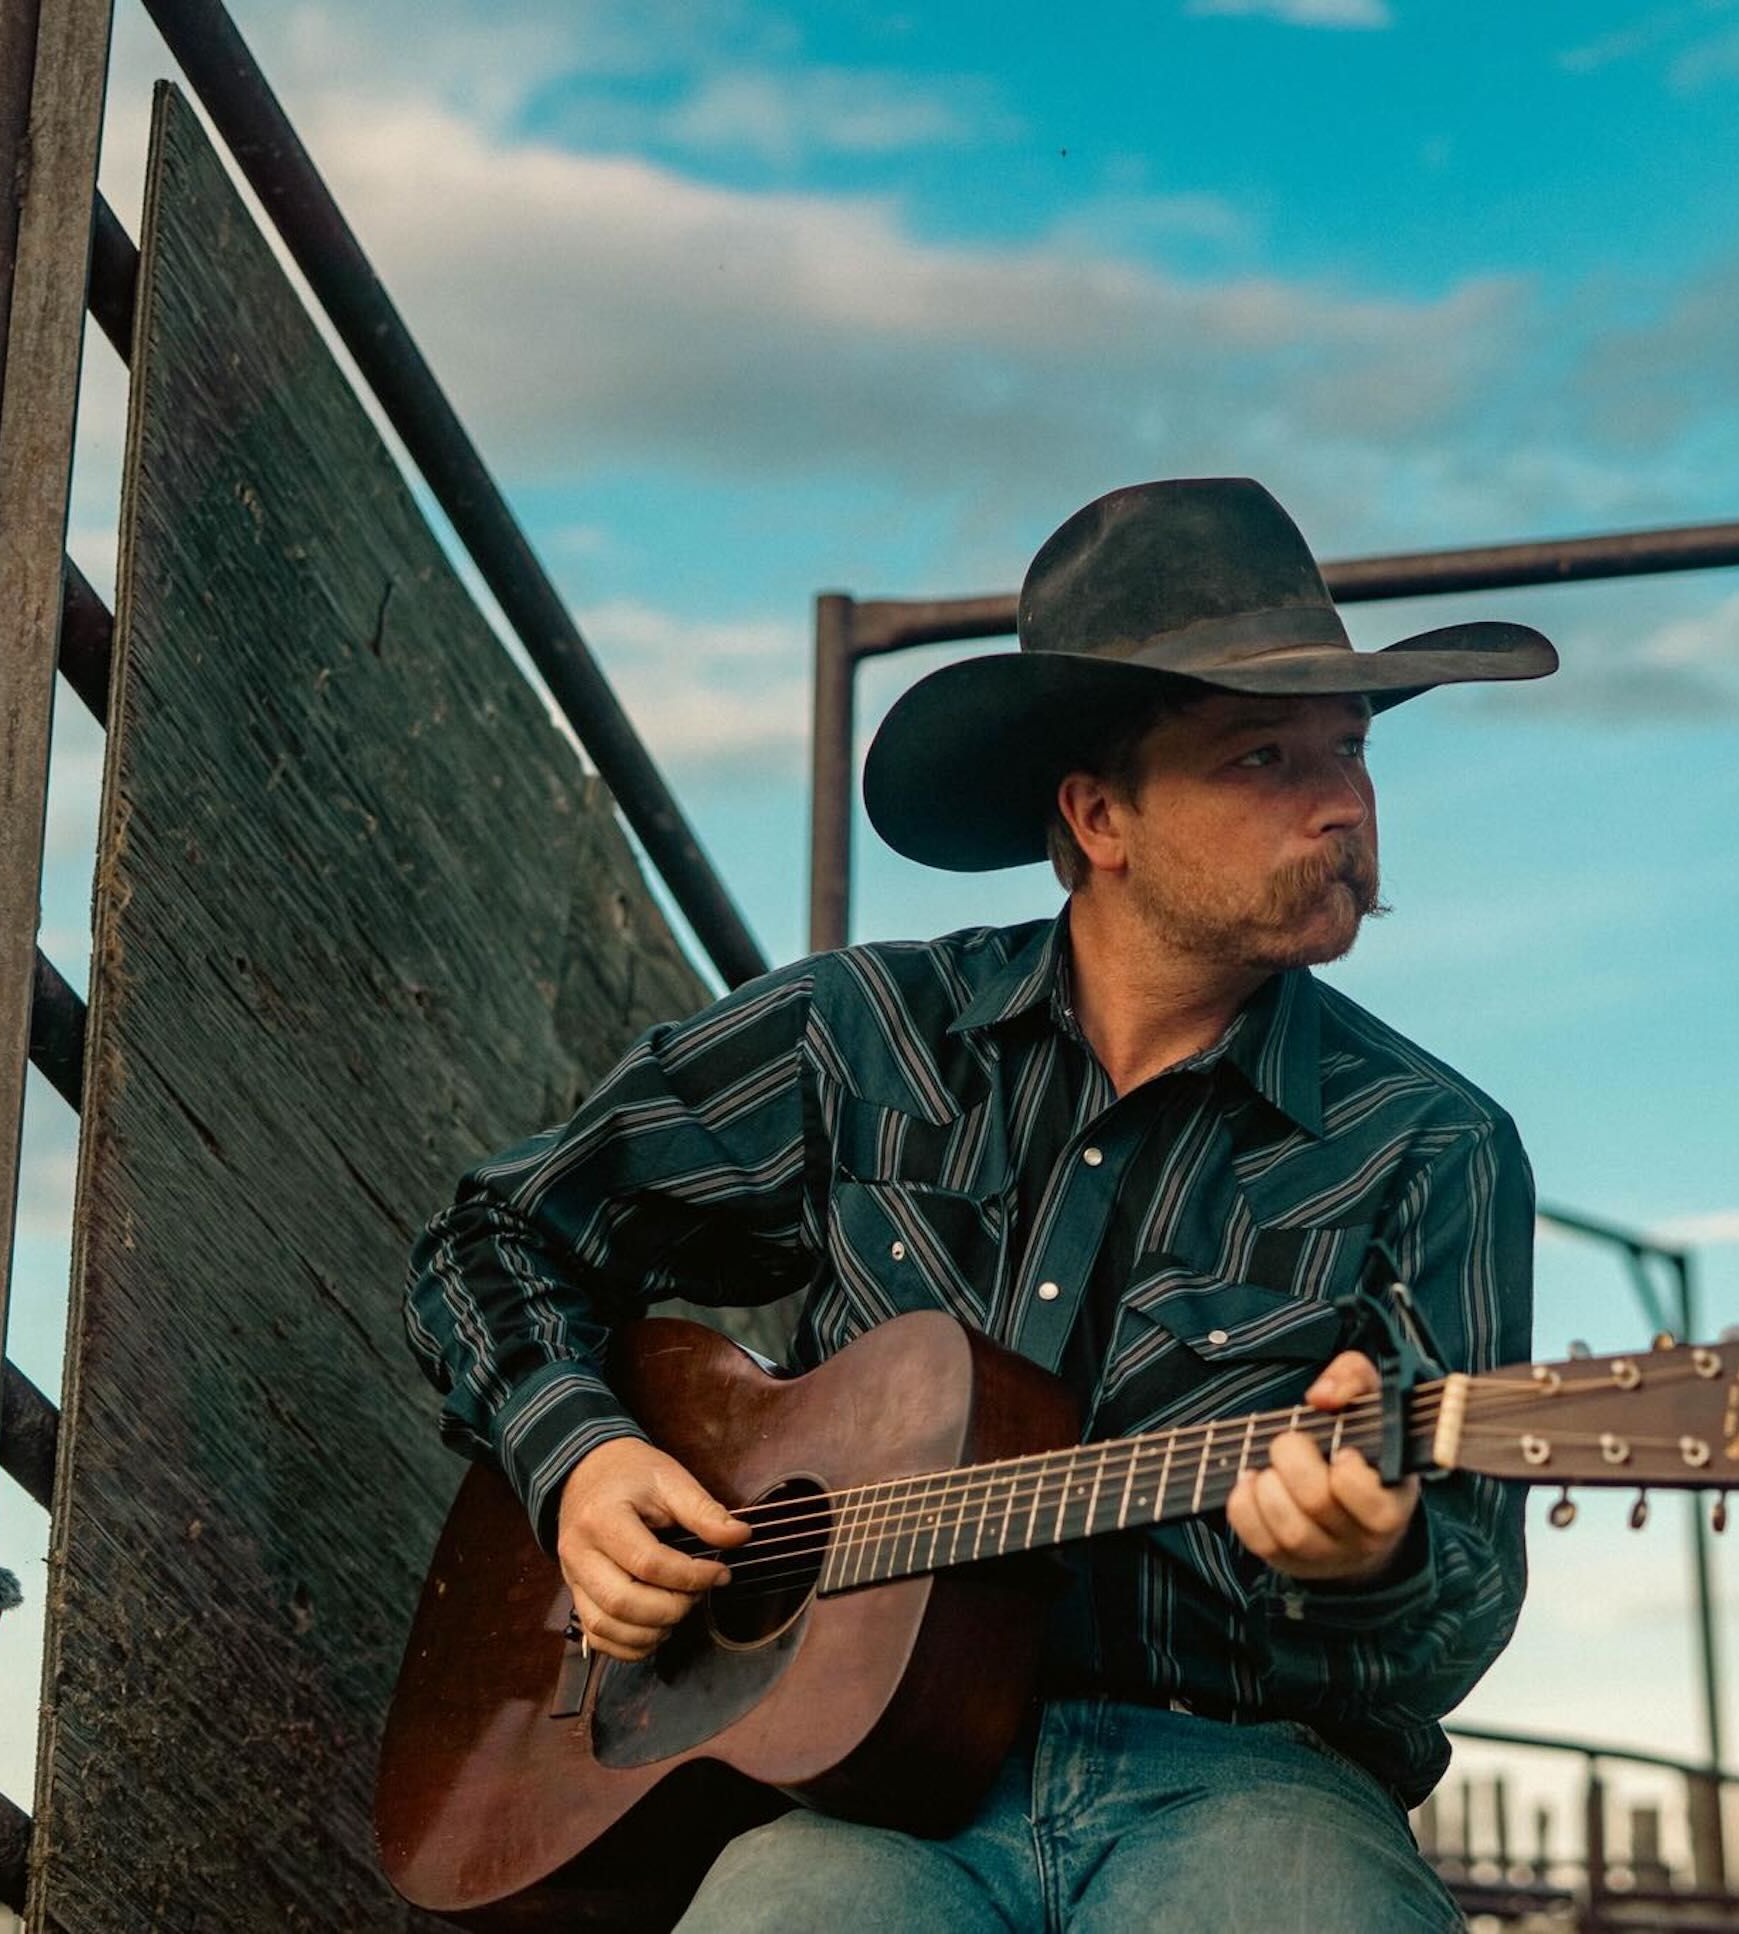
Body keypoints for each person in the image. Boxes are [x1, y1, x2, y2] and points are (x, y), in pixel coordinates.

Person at [405, 476, 1557, 1932]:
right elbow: (491, 1240)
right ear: (1099, 814)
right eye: (1266, 755)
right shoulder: (864, 1036)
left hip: (1248, 1786)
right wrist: (580, 1465)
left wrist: (1373, 1559)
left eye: (1351, 747)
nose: (1343, 802)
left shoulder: (1434, 1145)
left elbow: (1465, 1603)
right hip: (858, 1806)